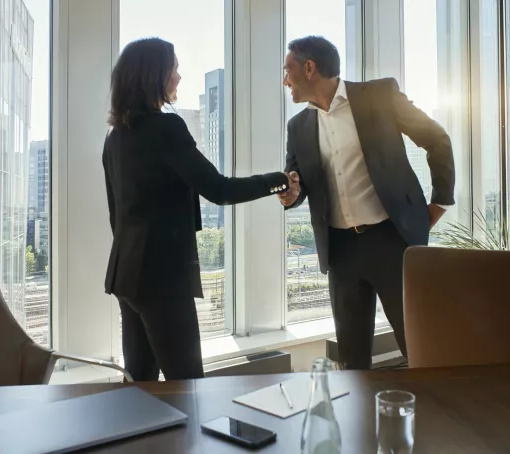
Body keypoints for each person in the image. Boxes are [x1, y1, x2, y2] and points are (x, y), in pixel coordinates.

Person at [103, 37, 298, 381]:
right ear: (154, 76)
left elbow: (115, 215)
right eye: (174, 69)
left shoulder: (115, 136)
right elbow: (218, 189)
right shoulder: (166, 127)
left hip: (126, 274)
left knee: (140, 386)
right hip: (162, 277)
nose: (178, 77)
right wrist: (279, 180)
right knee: (188, 385)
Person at [279, 36, 455, 370]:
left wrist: (439, 202)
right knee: (352, 361)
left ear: (310, 68)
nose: (285, 80)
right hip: (341, 253)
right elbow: (298, 180)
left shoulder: (379, 95)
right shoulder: (298, 126)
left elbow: (436, 138)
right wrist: (291, 193)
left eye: (287, 70)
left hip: (392, 241)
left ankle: (439, 418)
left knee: (419, 347)